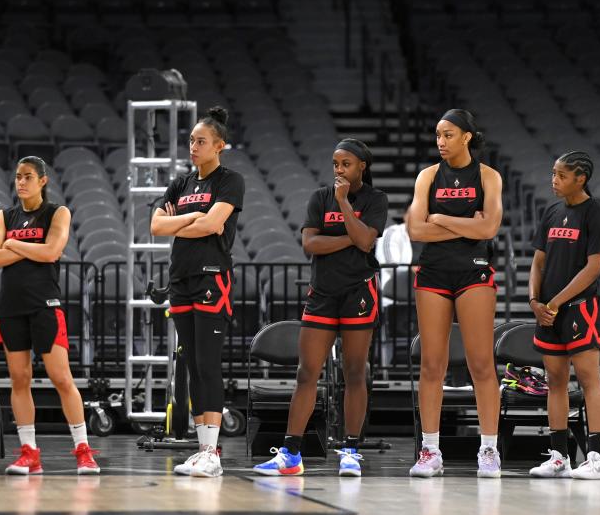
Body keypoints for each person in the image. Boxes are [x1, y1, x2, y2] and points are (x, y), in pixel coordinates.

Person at [254, 139, 388, 477]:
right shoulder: (319, 197)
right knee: (306, 372)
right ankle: (291, 453)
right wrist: (351, 239)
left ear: (362, 167)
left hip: (358, 292)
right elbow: (310, 243)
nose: (339, 170)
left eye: (346, 164)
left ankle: (351, 450)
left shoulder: (376, 200)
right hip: (323, 294)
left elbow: (367, 241)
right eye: (335, 164)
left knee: (355, 373)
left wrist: (344, 205)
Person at [404, 109, 503, 477]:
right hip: (433, 272)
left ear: (467, 137)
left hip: (473, 271)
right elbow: (415, 230)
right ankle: (430, 451)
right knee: (432, 364)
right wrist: (466, 225)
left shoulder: (487, 176)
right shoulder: (427, 176)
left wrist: (441, 219)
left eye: (448, 135)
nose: (441, 142)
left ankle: (489, 449)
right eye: (438, 135)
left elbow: (489, 227)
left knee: (480, 363)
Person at [0, 155, 101, 476]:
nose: (20, 182)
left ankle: (82, 450)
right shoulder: (3, 216)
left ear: (42, 181)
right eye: (17, 177)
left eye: (27, 177)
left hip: (45, 305)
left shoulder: (57, 212)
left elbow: (52, 252)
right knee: (19, 379)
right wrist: (26, 247)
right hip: (10, 308)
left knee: (61, 378)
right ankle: (29, 453)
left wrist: (13, 243)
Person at [151, 106, 245, 478]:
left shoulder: (230, 181)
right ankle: (202, 449)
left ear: (219, 145)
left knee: (208, 364)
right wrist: (191, 221)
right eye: (191, 140)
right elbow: (156, 226)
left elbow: (213, 224)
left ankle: (212, 451)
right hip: (181, 279)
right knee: (191, 364)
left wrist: (184, 221)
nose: (193, 146)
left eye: (201, 141)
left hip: (211, 280)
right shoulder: (181, 183)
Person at [529, 151, 600, 479]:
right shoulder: (551, 212)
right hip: (548, 312)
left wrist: (556, 302)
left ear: (581, 179)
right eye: (553, 173)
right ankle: (559, 457)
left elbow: (594, 268)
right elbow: (538, 262)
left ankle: (597, 458)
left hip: (580, 310)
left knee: (590, 380)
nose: (554, 180)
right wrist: (536, 300)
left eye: (561, 175)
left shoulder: (596, 214)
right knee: (555, 383)